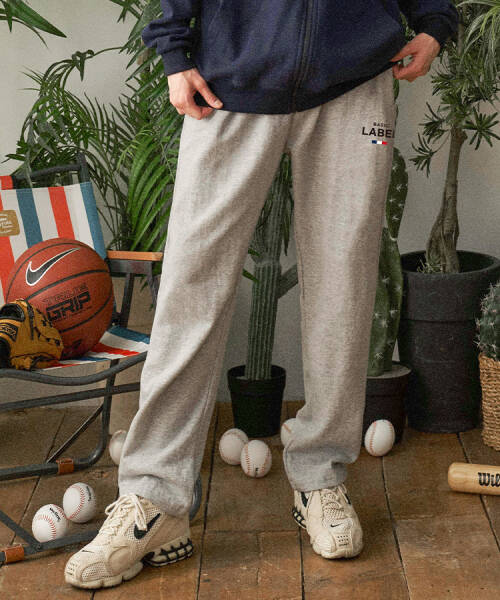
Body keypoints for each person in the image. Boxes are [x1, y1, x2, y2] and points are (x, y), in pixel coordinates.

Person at [64, 0, 459, 590]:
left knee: (344, 291)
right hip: (230, 82)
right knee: (191, 292)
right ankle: (154, 498)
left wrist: (434, 21)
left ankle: (321, 476)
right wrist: (174, 50)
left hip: (355, 84)